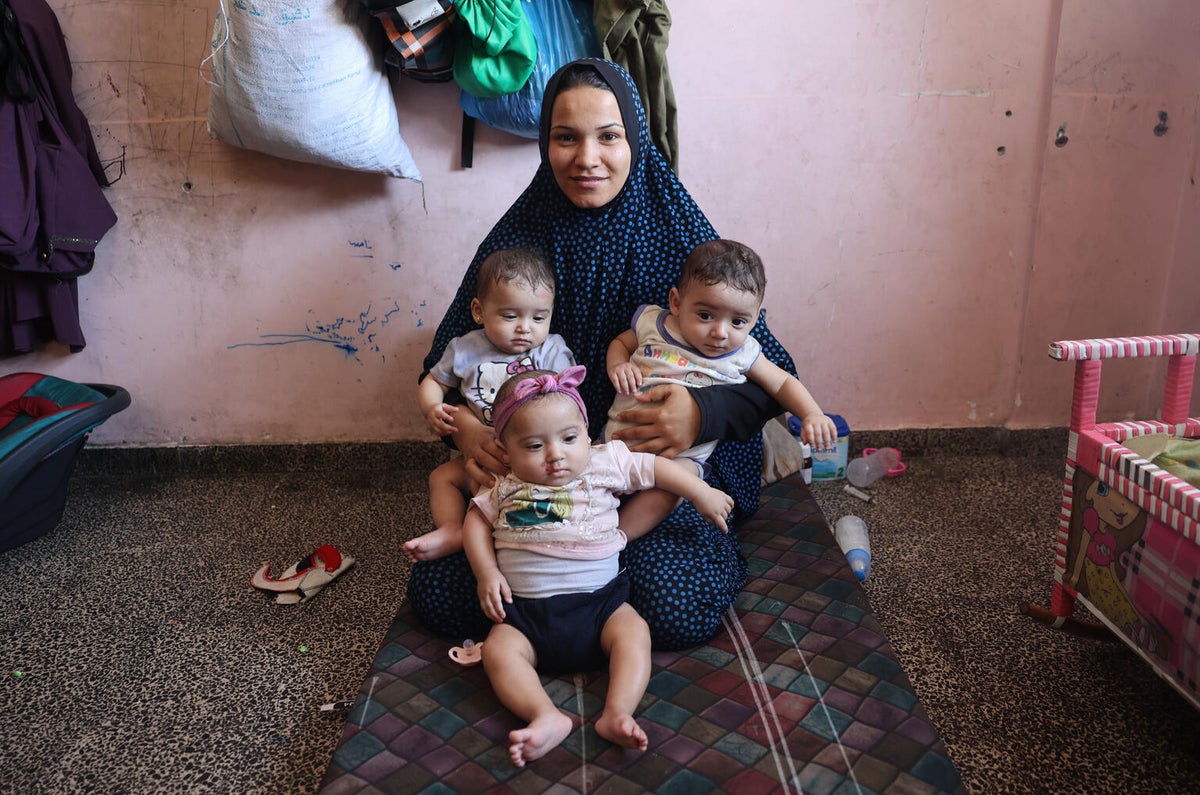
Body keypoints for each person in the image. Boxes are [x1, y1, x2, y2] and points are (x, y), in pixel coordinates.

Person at [408, 58, 800, 650]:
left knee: (673, 606)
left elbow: (775, 375)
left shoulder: (679, 235)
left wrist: (700, 415)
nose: (586, 158)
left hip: (651, 473)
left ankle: (582, 599)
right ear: (546, 144)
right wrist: (463, 428)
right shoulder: (519, 240)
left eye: (609, 136)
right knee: (441, 594)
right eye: (566, 137)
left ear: (635, 140)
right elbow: (449, 364)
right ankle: (580, 602)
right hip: (542, 472)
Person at [463, 366, 733, 767]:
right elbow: (474, 523)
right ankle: (544, 715)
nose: (556, 455)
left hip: (601, 606)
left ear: (587, 435)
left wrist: (699, 491)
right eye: (534, 445)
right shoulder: (504, 484)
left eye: (569, 438)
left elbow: (655, 468)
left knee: (634, 632)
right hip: (525, 616)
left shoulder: (602, 462)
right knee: (499, 652)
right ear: (506, 451)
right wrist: (487, 572)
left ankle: (617, 712)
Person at [604, 239, 838, 533]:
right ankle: (585, 536)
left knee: (674, 489)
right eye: (705, 315)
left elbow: (781, 382)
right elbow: (621, 343)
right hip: (619, 442)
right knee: (587, 481)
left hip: (680, 459)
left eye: (738, 321)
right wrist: (618, 364)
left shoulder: (744, 353)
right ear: (676, 303)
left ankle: (618, 540)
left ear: (754, 319)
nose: (720, 332)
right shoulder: (655, 324)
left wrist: (812, 413)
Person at [405, 248, 575, 562]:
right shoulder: (464, 349)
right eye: (510, 316)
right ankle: (452, 528)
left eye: (539, 317)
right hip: (484, 458)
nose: (525, 327)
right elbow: (433, 382)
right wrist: (432, 408)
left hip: (537, 458)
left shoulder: (552, 351)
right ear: (479, 311)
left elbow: (568, 400)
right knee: (441, 478)